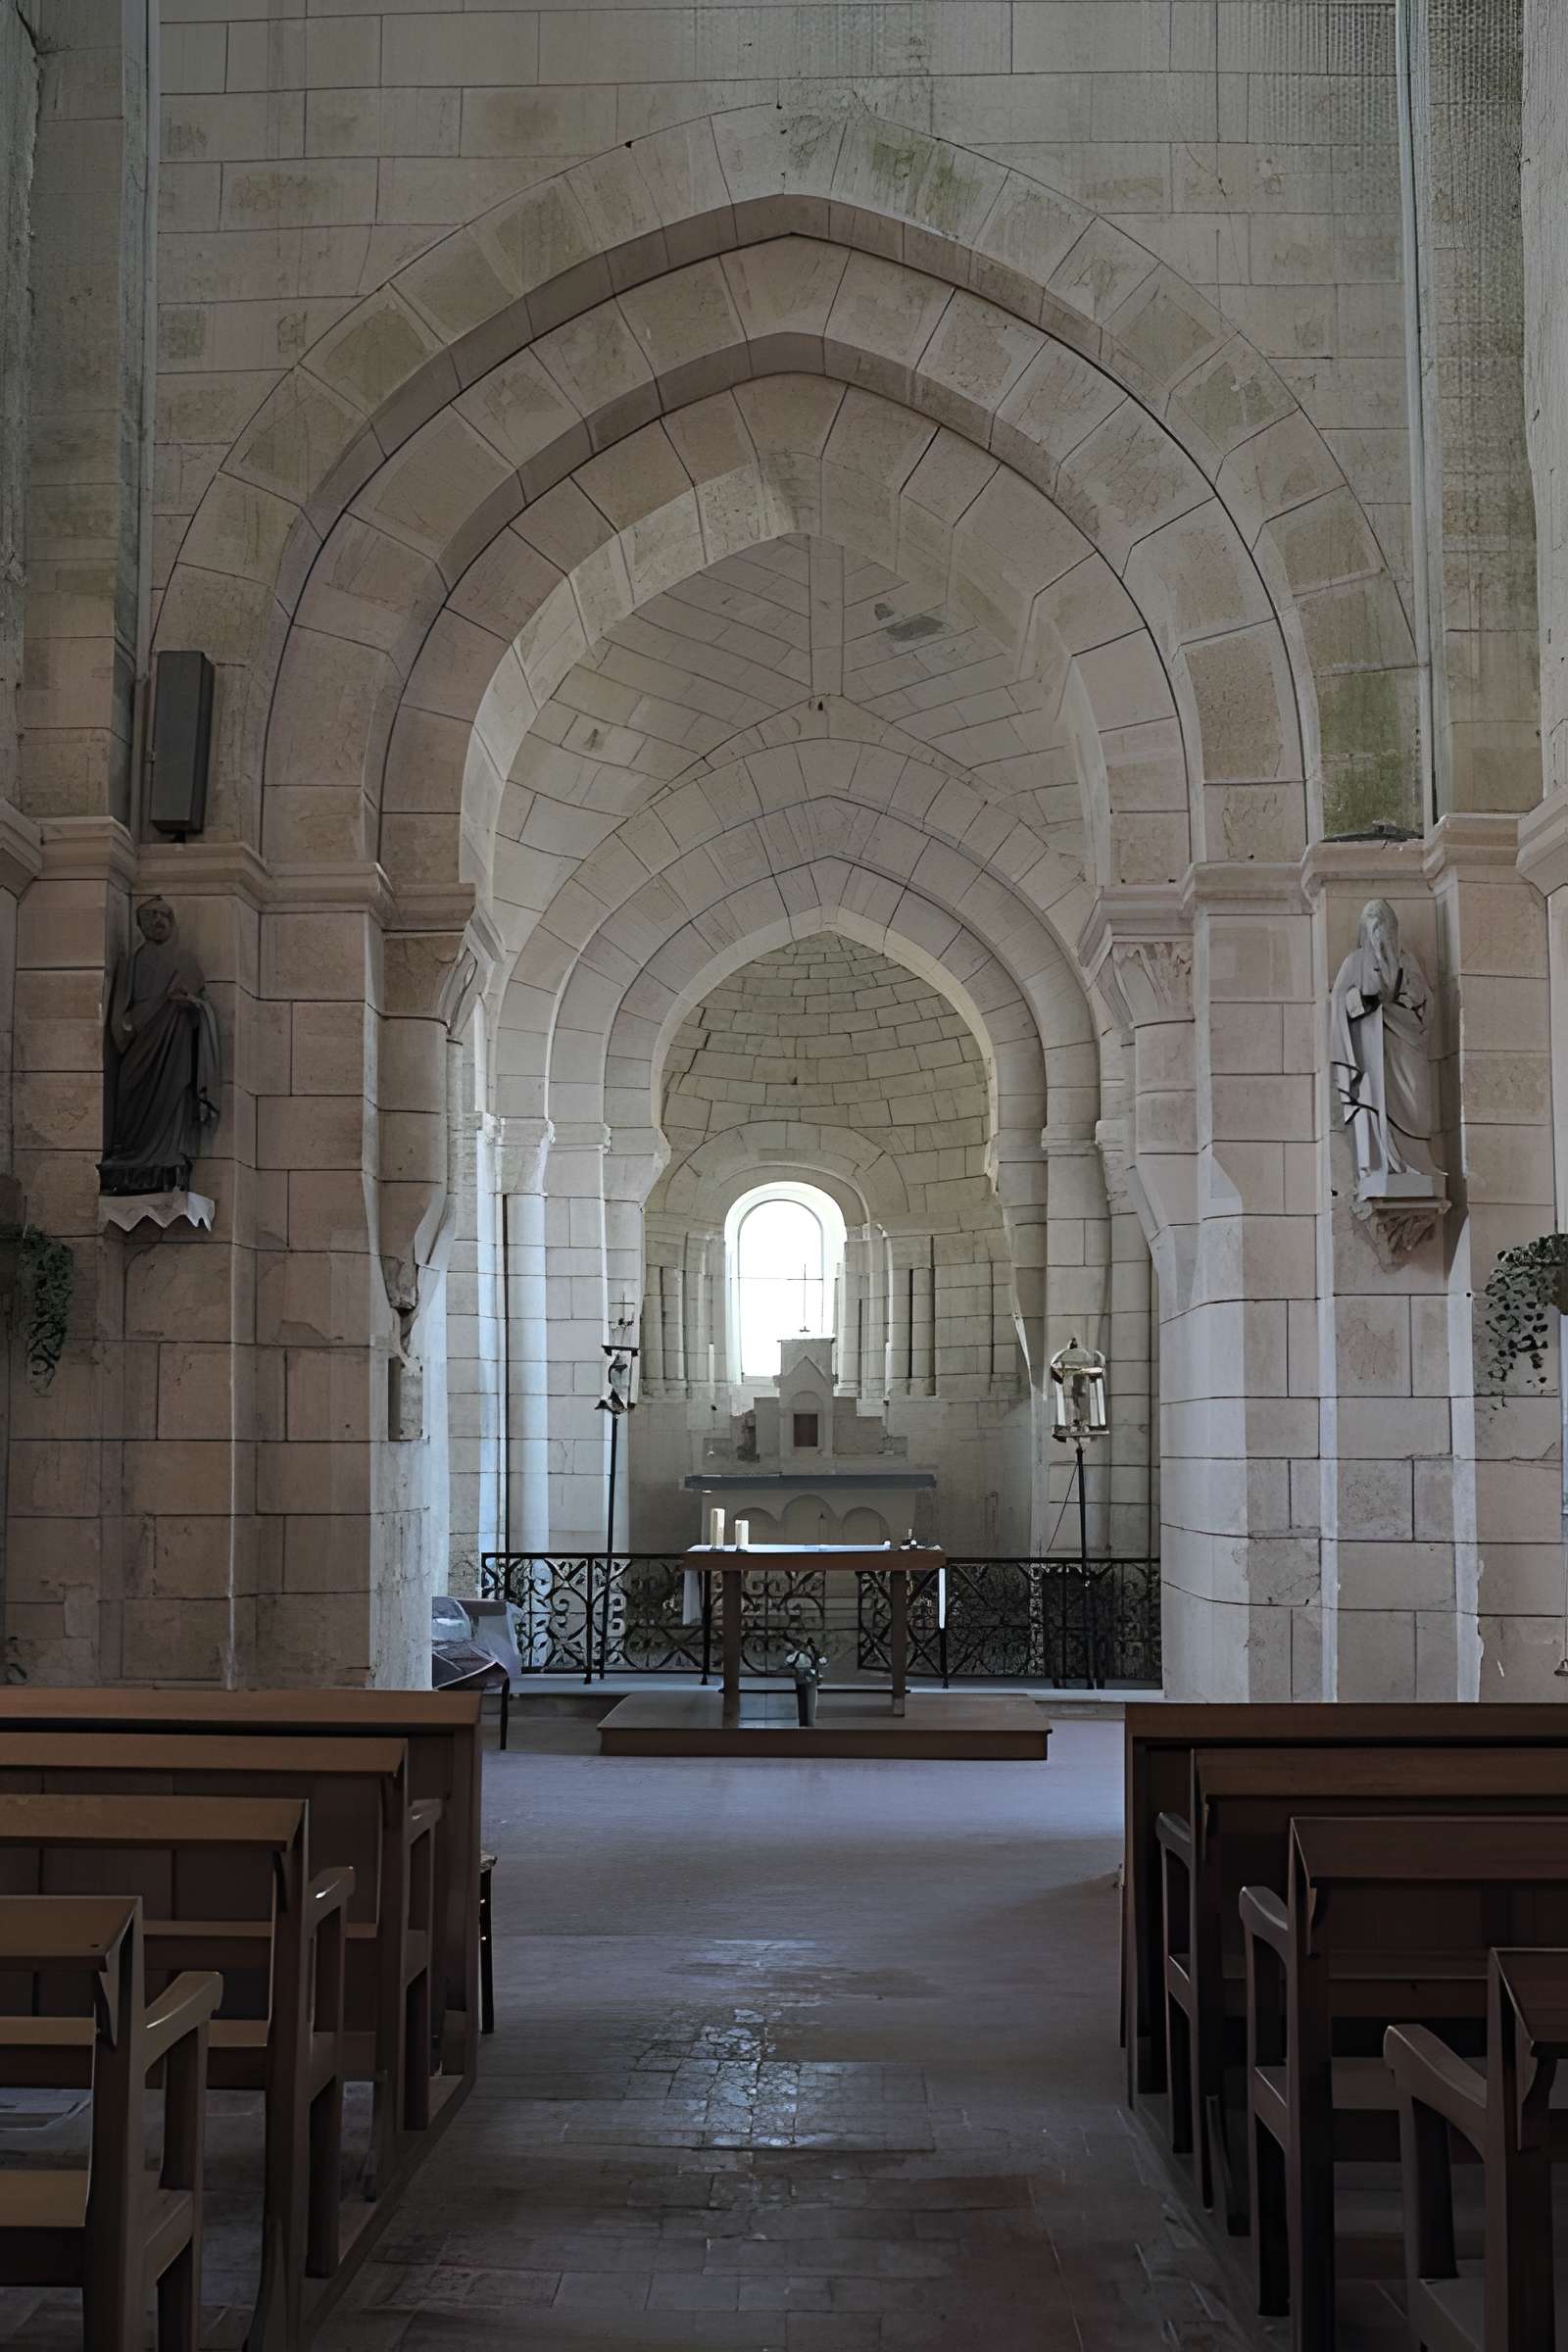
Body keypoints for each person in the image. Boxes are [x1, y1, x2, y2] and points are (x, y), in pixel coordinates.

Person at [98, 897, 220, 1195]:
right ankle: (130, 1153)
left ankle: (168, 1156)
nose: (158, 921)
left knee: (174, 1096)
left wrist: (190, 1005)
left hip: (175, 1047)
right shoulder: (131, 965)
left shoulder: (186, 963)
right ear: (140, 925)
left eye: (164, 915)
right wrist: (136, 1023)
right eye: (150, 916)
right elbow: (119, 1018)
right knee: (131, 1095)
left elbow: (203, 1012)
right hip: (141, 1045)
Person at [1328, 897, 1437, 1193]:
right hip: (1371, 1052)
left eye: (1386, 926)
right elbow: (1339, 1001)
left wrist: (1411, 1000)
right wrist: (1364, 1001)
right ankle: (1381, 1163)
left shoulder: (1407, 962)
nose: (1381, 933)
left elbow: (1426, 1002)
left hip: (1405, 1043)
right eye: (1375, 927)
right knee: (1375, 1101)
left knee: (1415, 1100)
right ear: (1366, 930)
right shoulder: (1356, 961)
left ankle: (1415, 1162)